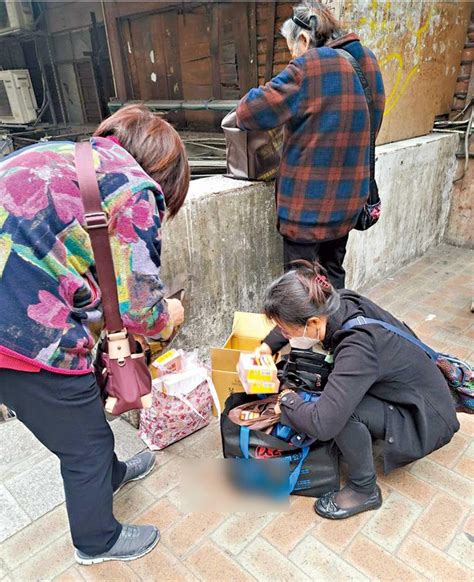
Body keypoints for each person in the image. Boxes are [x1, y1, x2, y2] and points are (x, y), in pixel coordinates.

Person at [0, 104, 189, 563]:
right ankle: (96, 540)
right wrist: (173, 315)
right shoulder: (136, 190)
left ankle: (114, 474)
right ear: (165, 174)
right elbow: (143, 310)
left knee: (86, 420)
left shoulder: (65, 156)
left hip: (12, 310)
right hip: (19, 336)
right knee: (84, 445)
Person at [262, 261, 459, 519]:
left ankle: (364, 489)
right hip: (422, 393)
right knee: (334, 389)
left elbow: (323, 424)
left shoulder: (358, 347)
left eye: (287, 333)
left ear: (312, 322)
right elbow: (292, 321)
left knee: (341, 413)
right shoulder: (340, 300)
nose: (286, 337)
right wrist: (266, 346)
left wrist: (287, 400)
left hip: (425, 419)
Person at [235, 1, 385, 287]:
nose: (292, 56)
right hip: (349, 203)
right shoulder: (368, 61)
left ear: (303, 38)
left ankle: (307, 333)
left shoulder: (310, 66)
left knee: (301, 291)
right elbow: (372, 124)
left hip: (306, 211)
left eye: (291, 47)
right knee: (332, 277)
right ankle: (337, 330)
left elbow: (249, 112)